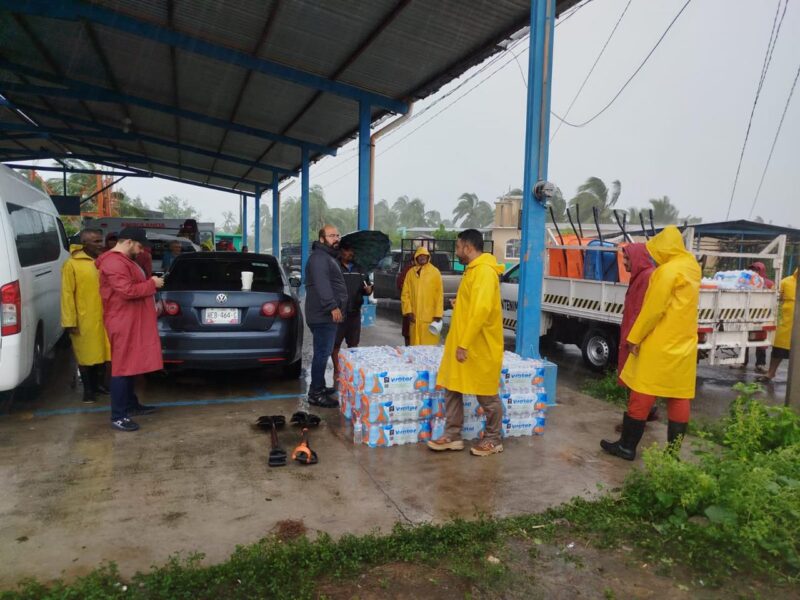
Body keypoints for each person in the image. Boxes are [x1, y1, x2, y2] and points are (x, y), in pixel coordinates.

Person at [602, 226, 701, 461]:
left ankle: (627, 447)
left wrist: (634, 338)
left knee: (642, 392)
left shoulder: (666, 272)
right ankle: (672, 454)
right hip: (684, 344)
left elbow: (652, 310)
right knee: (679, 396)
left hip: (659, 342)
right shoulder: (692, 269)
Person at [428, 229, 505, 457]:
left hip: (478, 345)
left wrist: (464, 344)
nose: (457, 251)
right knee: (452, 386)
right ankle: (452, 435)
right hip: (463, 342)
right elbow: (473, 304)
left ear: (468, 248)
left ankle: (493, 439)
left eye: (459, 247)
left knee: (486, 394)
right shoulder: (472, 271)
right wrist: (459, 303)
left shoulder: (484, 272)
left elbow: (481, 311)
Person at [96, 228, 164, 432]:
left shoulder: (125, 260)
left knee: (131, 364)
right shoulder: (114, 262)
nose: (141, 250)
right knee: (122, 367)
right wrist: (152, 284)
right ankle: (118, 415)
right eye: (139, 246)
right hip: (123, 320)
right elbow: (127, 291)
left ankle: (131, 404)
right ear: (129, 242)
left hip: (132, 319)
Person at [61, 229, 111, 403]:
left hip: (106, 316)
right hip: (84, 318)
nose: (100, 244)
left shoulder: (105, 261)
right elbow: (67, 294)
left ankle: (99, 385)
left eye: (100, 240)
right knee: (86, 355)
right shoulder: (72, 264)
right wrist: (70, 321)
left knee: (104, 353)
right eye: (96, 241)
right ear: (85, 243)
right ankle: (88, 390)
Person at [613, 244, 658, 431]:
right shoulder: (642, 276)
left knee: (636, 381)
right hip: (634, 335)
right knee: (636, 380)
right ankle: (648, 412)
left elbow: (642, 312)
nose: (623, 263)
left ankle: (634, 422)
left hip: (637, 339)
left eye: (627, 259)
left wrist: (633, 339)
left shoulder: (647, 277)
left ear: (638, 259)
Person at [304, 225, 348, 408]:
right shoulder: (320, 258)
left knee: (323, 351)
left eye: (337, 235)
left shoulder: (327, 257)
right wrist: (332, 306)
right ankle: (316, 393)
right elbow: (323, 284)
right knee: (322, 354)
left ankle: (319, 386)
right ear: (322, 239)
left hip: (323, 313)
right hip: (323, 314)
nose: (336, 238)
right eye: (331, 235)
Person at [331, 239, 373, 387]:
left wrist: (369, 290)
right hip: (338, 313)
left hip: (355, 312)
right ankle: (337, 371)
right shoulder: (334, 267)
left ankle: (351, 371)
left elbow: (366, 288)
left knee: (353, 345)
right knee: (335, 345)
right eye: (347, 251)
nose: (350, 254)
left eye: (352, 251)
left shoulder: (360, 269)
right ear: (341, 252)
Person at [760, 268, 797, 383]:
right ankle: (770, 373)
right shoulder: (786, 282)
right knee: (778, 350)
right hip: (786, 323)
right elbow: (774, 297)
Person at [401, 247, 444, 345]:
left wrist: (438, 314)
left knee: (429, 348)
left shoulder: (435, 272)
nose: (422, 257)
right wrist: (408, 311)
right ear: (416, 257)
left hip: (430, 318)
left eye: (424, 255)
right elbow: (405, 294)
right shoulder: (410, 273)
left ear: (428, 257)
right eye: (419, 256)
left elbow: (439, 294)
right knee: (415, 348)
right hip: (414, 317)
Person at [737, 262, 774, 373]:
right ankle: (742, 362)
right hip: (747, 314)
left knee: (761, 342)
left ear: (761, 271)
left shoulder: (769, 283)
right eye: (752, 270)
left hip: (762, 315)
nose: (754, 272)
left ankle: (760, 364)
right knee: (744, 338)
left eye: (756, 270)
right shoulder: (744, 282)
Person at [397, 254, 416, 345]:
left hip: (424, 311)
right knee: (408, 333)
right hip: (410, 307)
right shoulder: (408, 271)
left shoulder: (431, 271)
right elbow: (400, 285)